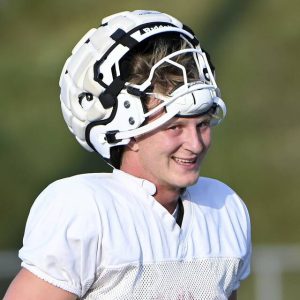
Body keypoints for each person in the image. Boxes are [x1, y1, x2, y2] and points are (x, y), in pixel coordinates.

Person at [4, 10, 251, 300]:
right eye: (174, 127)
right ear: (127, 131)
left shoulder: (225, 208)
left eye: (203, 124)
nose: (195, 144)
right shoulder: (87, 209)